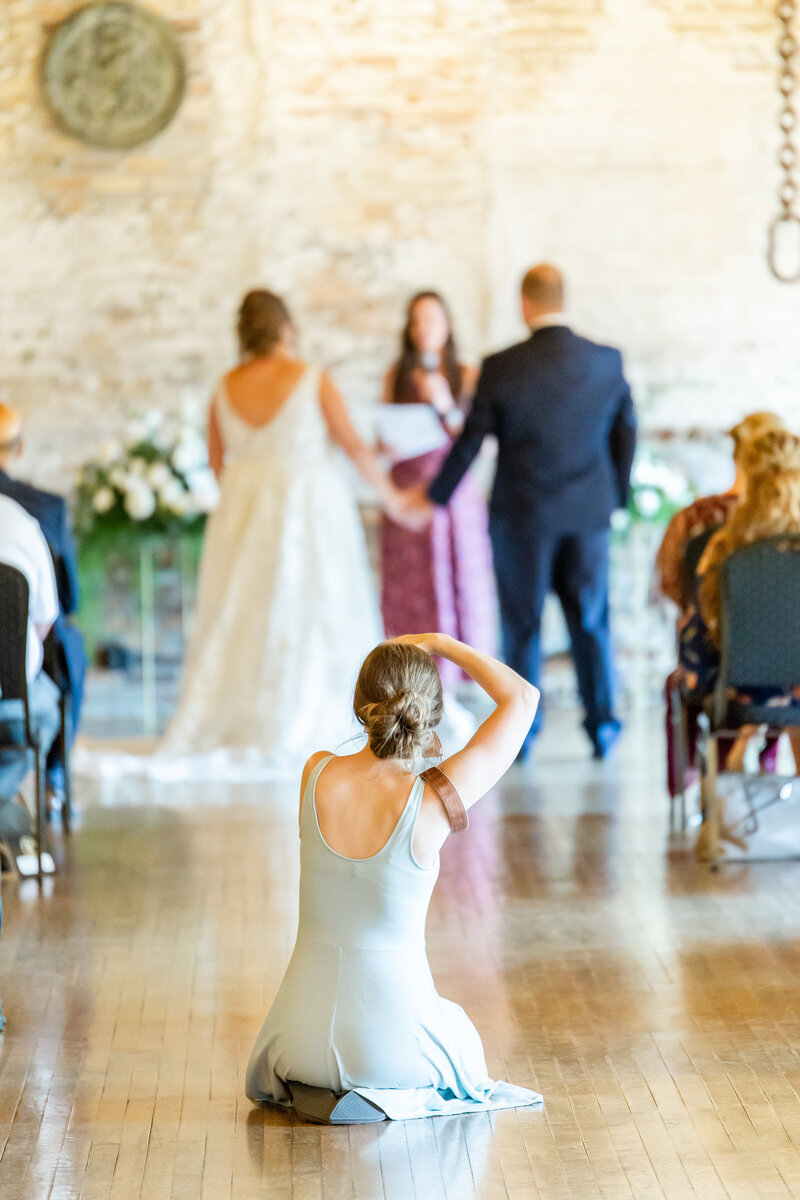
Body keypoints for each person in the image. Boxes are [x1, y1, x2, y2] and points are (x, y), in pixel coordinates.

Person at [245, 634, 542, 1121]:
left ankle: (325, 1088)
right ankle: (381, 1090)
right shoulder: (435, 800)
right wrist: (443, 644)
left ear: (362, 707)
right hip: (392, 1048)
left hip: (295, 1038)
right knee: (458, 1029)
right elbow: (523, 698)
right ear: (430, 713)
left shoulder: (315, 773)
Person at [160, 290, 402, 776]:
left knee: (244, 612)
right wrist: (396, 499)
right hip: (308, 514)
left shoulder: (224, 387)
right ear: (286, 327)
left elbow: (214, 461)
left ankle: (242, 719)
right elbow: (354, 447)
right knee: (314, 609)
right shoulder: (311, 379)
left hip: (243, 518)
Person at [411, 265, 636, 758]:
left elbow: (471, 441)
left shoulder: (503, 366)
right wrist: (616, 500)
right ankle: (603, 726)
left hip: (522, 517)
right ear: (563, 298)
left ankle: (523, 734)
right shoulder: (606, 360)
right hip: (587, 517)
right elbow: (626, 434)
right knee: (592, 621)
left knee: (522, 625)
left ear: (524, 304)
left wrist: (434, 497)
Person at [657, 412, 785, 797]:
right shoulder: (790, 530)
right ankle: (764, 760)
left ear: (737, 456)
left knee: (691, 675)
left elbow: (675, 589)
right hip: (789, 675)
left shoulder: (699, 520)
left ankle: (689, 780)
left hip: (721, 669)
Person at [379, 293, 495, 698]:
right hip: (407, 493)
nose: (424, 329)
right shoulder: (396, 374)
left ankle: (461, 676)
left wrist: (445, 403)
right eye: (416, 321)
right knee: (411, 584)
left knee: (456, 576)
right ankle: (413, 673)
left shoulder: (467, 374)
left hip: (451, 494)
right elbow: (382, 432)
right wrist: (386, 445)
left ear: (447, 325)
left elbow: (480, 441)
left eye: (431, 319)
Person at [0, 404, 86, 801]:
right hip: (12, 690)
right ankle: (54, 778)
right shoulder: (40, 510)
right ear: (18, 449)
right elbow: (64, 603)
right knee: (68, 648)